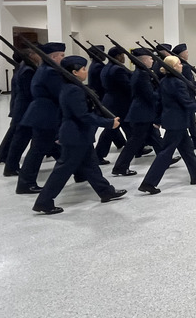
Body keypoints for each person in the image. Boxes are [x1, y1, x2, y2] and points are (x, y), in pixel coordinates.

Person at [32, 56, 127, 214]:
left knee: (91, 166)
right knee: (63, 170)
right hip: (75, 135)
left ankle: (106, 191)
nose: (86, 71)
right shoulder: (74, 90)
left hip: (79, 135)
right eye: (83, 69)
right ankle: (44, 201)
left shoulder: (71, 87)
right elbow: (83, 116)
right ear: (74, 72)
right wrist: (108, 123)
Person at [138, 56, 196, 194]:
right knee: (165, 153)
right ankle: (148, 183)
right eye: (179, 64)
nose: (181, 65)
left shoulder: (164, 81)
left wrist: (158, 119)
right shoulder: (178, 83)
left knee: (187, 150)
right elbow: (186, 103)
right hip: (177, 122)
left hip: (174, 121)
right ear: (173, 67)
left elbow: (159, 102)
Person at [16, 42, 66, 194]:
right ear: (53, 57)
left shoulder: (45, 69)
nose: (63, 58)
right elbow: (60, 92)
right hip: (45, 115)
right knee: (37, 151)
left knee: (53, 148)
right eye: (62, 56)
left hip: (43, 114)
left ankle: (80, 172)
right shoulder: (50, 72)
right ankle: (25, 184)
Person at [111, 48, 163, 176]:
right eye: (150, 58)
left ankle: (165, 158)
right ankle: (120, 167)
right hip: (141, 113)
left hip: (143, 112)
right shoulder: (142, 74)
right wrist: (163, 94)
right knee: (135, 141)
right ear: (144, 60)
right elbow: (149, 95)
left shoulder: (141, 72)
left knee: (154, 137)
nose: (152, 60)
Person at [2, 50, 40, 175]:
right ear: (31, 55)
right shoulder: (28, 70)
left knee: (20, 138)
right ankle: (11, 167)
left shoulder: (25, 67)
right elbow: (29, 92)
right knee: (20, 140)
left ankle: (10, 166)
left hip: (23, 108)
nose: (39, 56)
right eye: (37, 53)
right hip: (25, 109)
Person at [94, 47, 132, 164]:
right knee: (111, 130)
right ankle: (98, 155)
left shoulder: (107, 67)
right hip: (118, 103)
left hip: (110, 100)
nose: (124, 57)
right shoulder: (118, 69)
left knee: (126, 129)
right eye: (122, 55)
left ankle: (137, 148)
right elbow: (127, 86)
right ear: (117, 56)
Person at [174, 43, 196, 150]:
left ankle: (194, 142)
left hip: (186, 96)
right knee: (191, 122)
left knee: (190, 122)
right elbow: (190, 83)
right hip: (188, 96)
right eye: (186, 52)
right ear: (182, 54)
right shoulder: (185, 67)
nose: (188, 54)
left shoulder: (183, 65)